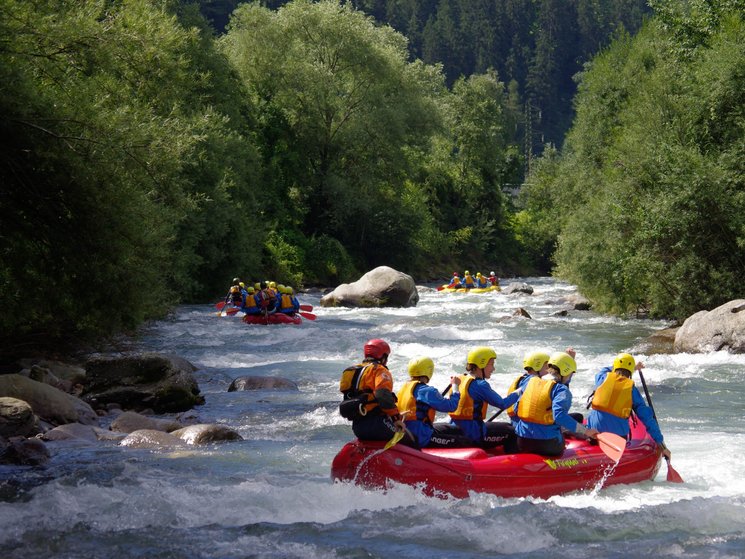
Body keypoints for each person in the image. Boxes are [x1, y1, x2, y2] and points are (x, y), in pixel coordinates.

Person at [586, 353, 671, 460]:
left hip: (594, 433)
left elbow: (605, 369)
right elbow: (647, 418)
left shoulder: (601, 377)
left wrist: (632, 367)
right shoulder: (631, 390)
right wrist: (662, 446)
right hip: (617, 439)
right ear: (630, 371)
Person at [513, 351, 598, 456]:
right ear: (565, 372)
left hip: (522, 441)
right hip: (547, 445)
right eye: (571, 372)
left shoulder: (530, 382)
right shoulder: (561, 390)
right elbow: (559, 417)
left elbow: (516, 408)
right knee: (561, 430)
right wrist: (586, 431)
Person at [339, 339, 413, 446]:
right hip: (377, 424)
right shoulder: (379, 370)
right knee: (410, 439)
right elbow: (382, 395)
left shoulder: (349, 371)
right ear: (383, 357)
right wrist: (396, 418)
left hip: (358, 428)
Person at [446, 347, 520, 451]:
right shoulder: (480, 385)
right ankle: (512, 464)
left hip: (457, 429)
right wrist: (518, 392)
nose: (493, 369)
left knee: (500, 426)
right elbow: (503, 404)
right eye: (492, 364)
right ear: (482, 364)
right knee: (512, 432)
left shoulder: (459, 379)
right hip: (473, 435)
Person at [396, 357, 471, 448]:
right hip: (422, 437)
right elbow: (451, 406)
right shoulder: (426, 390)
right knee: (465, 441)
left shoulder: (403, 388)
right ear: (429, 371)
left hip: (408, 432)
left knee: (454, 429)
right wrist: (455, 386)